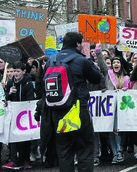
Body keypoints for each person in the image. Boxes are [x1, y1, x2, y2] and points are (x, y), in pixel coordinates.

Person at [36, 32, 102, 172]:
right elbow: (97, 78)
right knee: (84, 149)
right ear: (78, 44)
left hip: (57, 112)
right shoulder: (81, 60)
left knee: (64, 151)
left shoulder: (51, 60)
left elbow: (42, 85)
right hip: (77, 110)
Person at [2, 61, 34, 170]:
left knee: (25, 138)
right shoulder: (10, 83)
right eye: (14, 71)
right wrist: (9, 93)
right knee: (13, 137)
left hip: (24, 114)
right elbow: (5, 98)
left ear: (24, 72)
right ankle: (13, 160)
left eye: (18, 71)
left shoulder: (28, 83)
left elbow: (30, 99)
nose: (15, 73)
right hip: (13, 114)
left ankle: (25, 160)